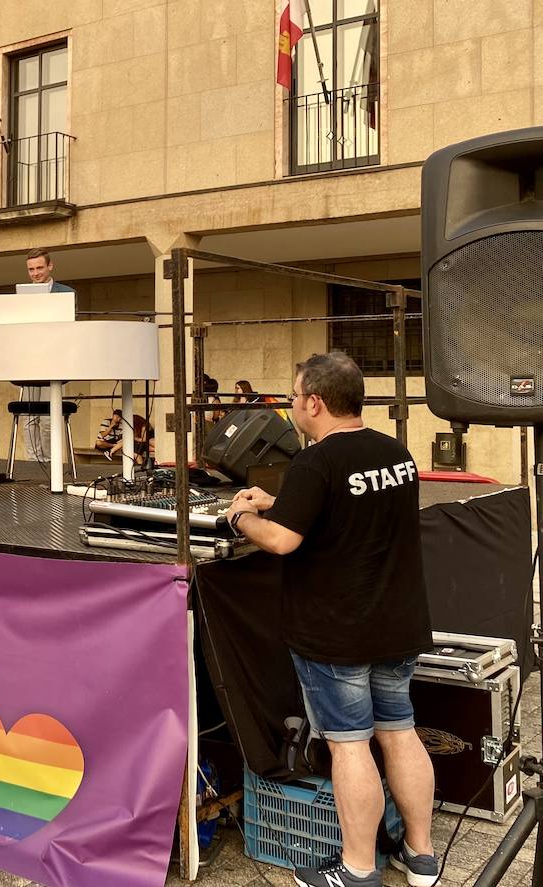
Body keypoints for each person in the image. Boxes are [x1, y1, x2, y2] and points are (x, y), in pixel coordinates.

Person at [222, 353, 436, 887]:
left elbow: (282, 540)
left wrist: (243, 515)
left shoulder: (316, 463)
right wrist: (282, 499)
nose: (292, 406)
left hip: (338, 635)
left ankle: (358, 868)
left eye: (295, 396)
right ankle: (421, 856)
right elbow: (348, 510)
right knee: (400, 732)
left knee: (349, 744)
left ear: (314, 402)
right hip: (398, 625)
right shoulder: (396, 455)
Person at [22, 248, 75, 463]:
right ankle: (34, 463)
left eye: (39, 268)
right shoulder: (21, 295)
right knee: (28, 417)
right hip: (27, 361)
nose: (35, 273)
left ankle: (51, 465)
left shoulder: (65, 293)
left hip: (54, 360)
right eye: (31, 269)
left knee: (47, 418)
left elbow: (70, 326)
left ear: (50, 266)